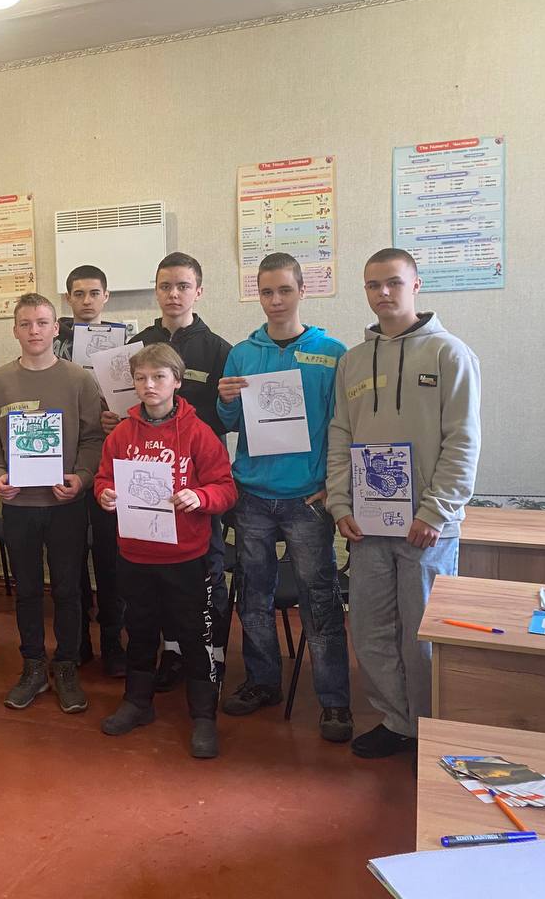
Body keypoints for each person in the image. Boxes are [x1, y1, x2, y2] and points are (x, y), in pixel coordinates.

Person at [327, 248, 480, 759]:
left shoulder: (449, 354)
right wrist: (340, 503)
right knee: (370, 630)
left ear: (416, 285)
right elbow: (340, 435)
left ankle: (430, 732)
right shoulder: (352, 361)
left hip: (426, 527)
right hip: (369, 526)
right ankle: (397, 723)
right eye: (373, 285)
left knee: (424, 638)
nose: (383, 293)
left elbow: (463, 441)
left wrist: (435, 510)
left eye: (393, 282)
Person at [215, 254, 352, 743]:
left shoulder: (332, 353)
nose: (275, 301)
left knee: (320, 600)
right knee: (254, 596)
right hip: (252, 495)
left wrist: (334, 487)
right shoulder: (241, 354)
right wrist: (226, 401)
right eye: (267, 292)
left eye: (285, 291)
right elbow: (230, 426)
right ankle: (263, 681)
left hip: (307, 500)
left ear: (302, 291)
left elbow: (344, 426)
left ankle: (334, 700)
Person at [94, 344, 235, 757]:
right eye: (141, 378)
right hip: (135, 555)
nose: (149, 385)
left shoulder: (198, 433)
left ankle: (203, 715)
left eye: (158, 377)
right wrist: (105, 494)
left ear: (177, 381)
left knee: (193, 634)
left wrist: (200, 497)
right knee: (139, 630)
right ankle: (137, 702)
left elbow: (225, 488)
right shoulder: (122, 434)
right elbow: (103, 478)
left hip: (186, 557)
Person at [0, 293, 104, 714]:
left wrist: (81, 478)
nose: (34, 331)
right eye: (26, 323)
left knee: (68, 589)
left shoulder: (79, 380)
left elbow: (92, 439)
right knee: (28, 590)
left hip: (66, 504)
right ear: (14, 330)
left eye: (42, 322)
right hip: (18, 506)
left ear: (55, 328)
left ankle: (66, 665)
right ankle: (32, 666)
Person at [123, 253, 232, 692]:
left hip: (198, 488)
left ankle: (213, 656)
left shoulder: (220, 350)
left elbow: (230, 418)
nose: (173, 294)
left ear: (198, 291)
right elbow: (124, 408)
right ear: (156, 290)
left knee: (207, 572)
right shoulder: (136, 345)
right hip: (147, 488)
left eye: (183, 286)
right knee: (156, 579)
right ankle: (171, 653)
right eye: (165, 286)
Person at [55, 264, 126, 677]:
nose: (86, 301)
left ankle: (113, 642)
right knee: (70, 558)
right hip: (64, 463)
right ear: (68, 299)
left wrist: (119, 416)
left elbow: (140, 401)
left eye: (94, 293)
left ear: (106, 297)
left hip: (110, 467)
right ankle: (77, 639)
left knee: (109, 557)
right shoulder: (52, 345)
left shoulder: (125, 344)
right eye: (78, 294)